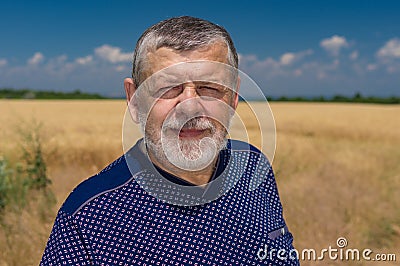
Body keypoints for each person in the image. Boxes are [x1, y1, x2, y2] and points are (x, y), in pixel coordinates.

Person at [40, 16, 299, 265]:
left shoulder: (254, 168)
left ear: (232, 98)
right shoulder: (88, 217)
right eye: (167, 88)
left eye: (209, 88)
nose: (189, 107)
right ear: (134, 99)